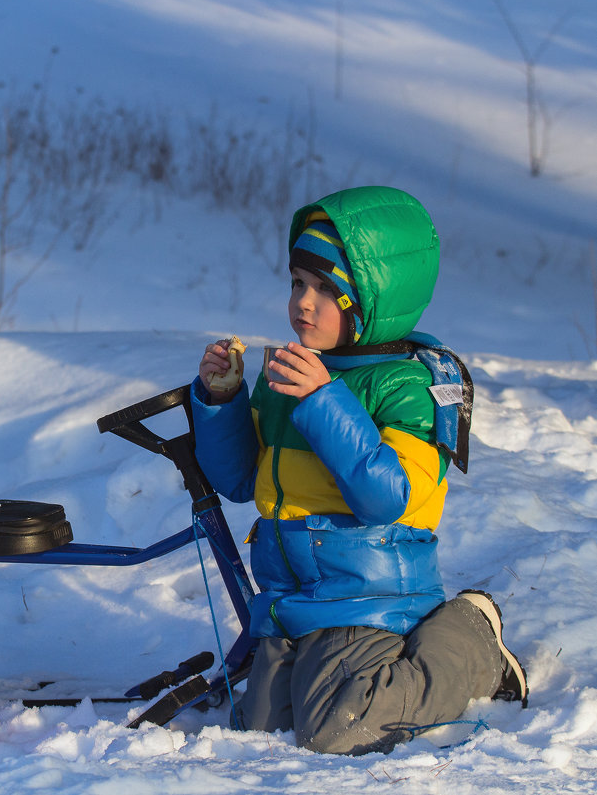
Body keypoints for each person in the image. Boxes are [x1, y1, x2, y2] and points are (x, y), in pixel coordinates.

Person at [192, 185, 527, 755]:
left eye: (327, 290)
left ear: (371, 302)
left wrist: (324, 402)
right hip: (291, 603)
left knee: (337, 729)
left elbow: (385, 498)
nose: (303, 302)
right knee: (259, 731)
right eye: (298, 282)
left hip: (368, 600)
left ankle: (471, 640)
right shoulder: (294, 372)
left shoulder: (410, 387)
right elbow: (242, 480)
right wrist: (221, 399)